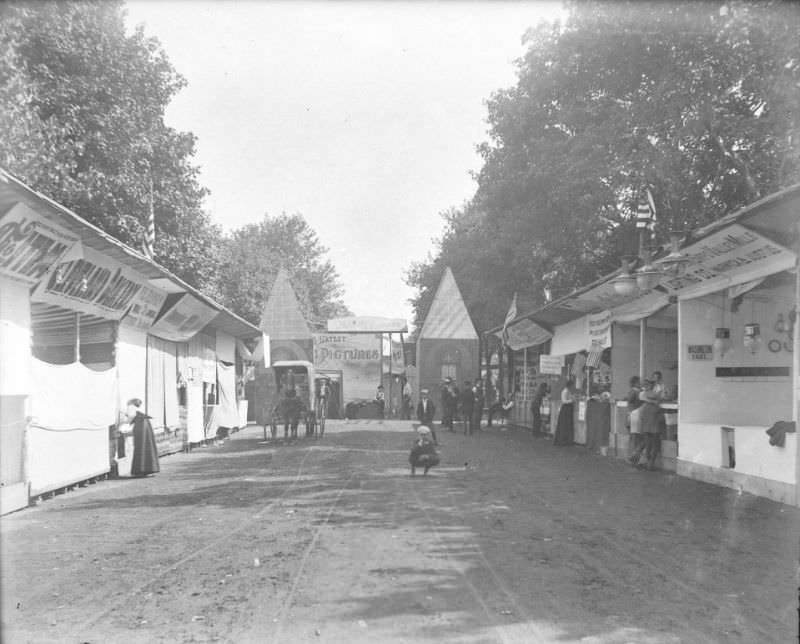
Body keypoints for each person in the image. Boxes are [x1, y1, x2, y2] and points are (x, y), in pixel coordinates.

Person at [629, 380, 662, 469]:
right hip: (653, 423)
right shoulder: (652, 396)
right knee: (654, 443)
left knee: (647, 442)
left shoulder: (643, 398)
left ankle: (638, 458)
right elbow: (657, 396)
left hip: (645, 422)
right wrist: (658, 394)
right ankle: (650, 464)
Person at [126, 398, 160, 477]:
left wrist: (125, 425)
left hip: (140, 426)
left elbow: (131, 417)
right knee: (147, 446)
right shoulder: (140, 413)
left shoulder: (131, 407)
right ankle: (147, 469)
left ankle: (141, 470)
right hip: (145, 426)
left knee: (141, 447)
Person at [625, 376, 644, 461]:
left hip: (629, 416)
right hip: (635, 417)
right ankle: (633, 459)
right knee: (636, 439)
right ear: (636, 383)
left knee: (632, 438)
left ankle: (631, 457)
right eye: (639, 382)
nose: (641, 383)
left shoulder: (631, 392)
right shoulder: (636, 392)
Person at [552, 379, 575, 446]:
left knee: (567, 424)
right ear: (570, 385)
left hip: (568, 408)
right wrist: (571, 400)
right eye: (572, 385)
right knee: (565, 424)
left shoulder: (568, 391)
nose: (573, 387)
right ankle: (562, 440)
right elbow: (564, 400)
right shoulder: (565, 391)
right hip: (566, 408)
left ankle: (566, 440)